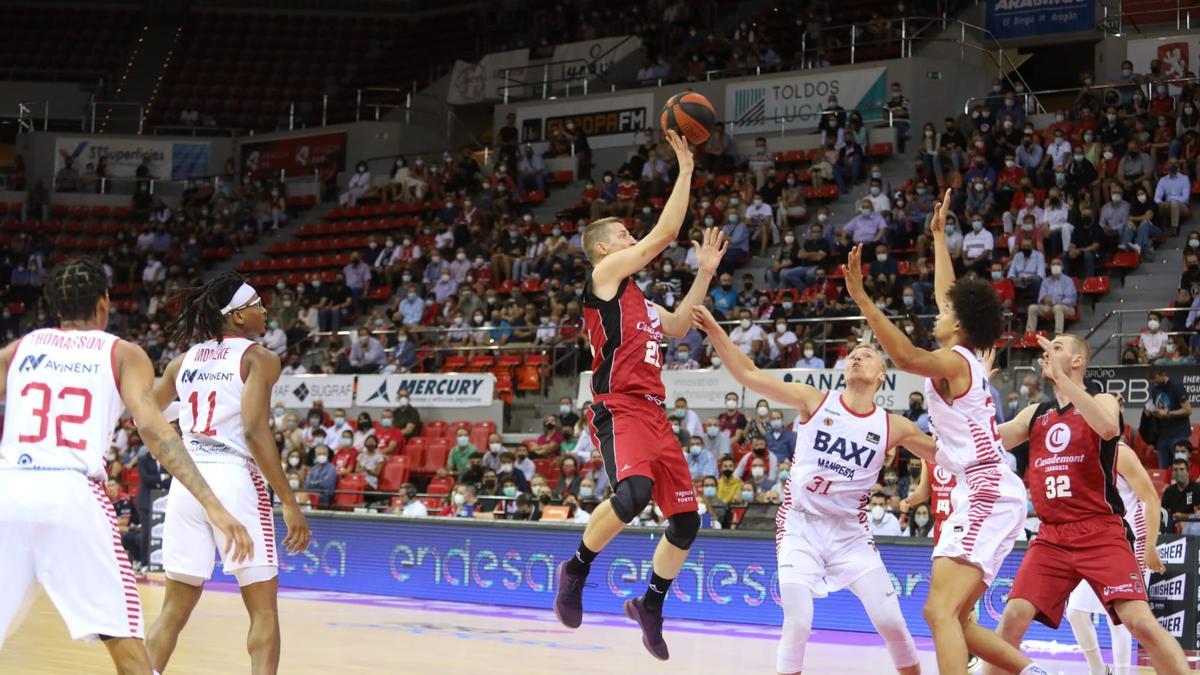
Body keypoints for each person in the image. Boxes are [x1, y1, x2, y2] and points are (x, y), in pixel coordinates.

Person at [0, 258, 252, 672]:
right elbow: (155, 430)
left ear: (54, 306)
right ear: (104, 303)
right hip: (72, 493)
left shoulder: (18, 350)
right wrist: (214, 505)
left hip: (9, 491)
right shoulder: (122, 353)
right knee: (127, 648)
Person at [843, 190, 1045, 674]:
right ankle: (1033, 672)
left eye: (945, 315)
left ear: (960, 327)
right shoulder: (964, 355)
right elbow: (947, 293)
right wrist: (938, 237)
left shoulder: (955, 361)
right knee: (955, 616)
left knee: (938, 612)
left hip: (987, 490)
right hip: (978, 490)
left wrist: (865, 303)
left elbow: (908, 357)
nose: (938, 313)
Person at [553, 129, 725, 661]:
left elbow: (678, 326)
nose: (633, 240)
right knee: (631, 494)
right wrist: (686, 170)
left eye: (632, 235)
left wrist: (704, 275)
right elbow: (662, 236)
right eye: (625, 234)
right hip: (618, 406)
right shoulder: (604, 276)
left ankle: (650, 604)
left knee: (687, 521)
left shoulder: (640, 302)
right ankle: (575, 570)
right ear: (605, 248)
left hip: (654, 414)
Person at [693, 305, 934, 675]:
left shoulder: (893, 426)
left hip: (850, 535)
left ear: (881, 377)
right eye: (852, 354)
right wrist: (714, 330)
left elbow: (941, 454)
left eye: (866, 355)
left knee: (892, 623)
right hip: (800, 526)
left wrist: (922, 490)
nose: (857, 357)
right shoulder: (815, 401)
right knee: (799, 621)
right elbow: (748, 373)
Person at [985, 335, 1189, 675]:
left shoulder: (1105, 400)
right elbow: (988, 439)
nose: (1048, 351)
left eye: (1058, 347)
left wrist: (1063, 381)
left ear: (1078, 361)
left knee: (1139, 621)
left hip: (1100, 530)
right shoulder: (1036, 413)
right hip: (1051, 536)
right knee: (1012, 619)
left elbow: (1108, 426)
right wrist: (974, 394)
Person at [147, 273, 311, 675]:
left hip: (188, 483)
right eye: (256, 303)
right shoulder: (259, 358)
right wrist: (290, 503)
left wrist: (181, 433)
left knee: (172, 610)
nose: (264, 309)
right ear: (237, 316)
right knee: (263, 611)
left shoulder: (182, 362)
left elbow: (146, 414)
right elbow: (255, 432)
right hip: (233, 478)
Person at [1065, 439, 1165, 675]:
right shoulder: (1082, 455)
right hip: (1100, 544)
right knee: (1075, 612)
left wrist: (1151, 545)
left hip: (1132, 543)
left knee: (1120, 616)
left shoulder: (1121, 453)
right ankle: (1099, 671)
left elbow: (1151, 498)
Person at [1147, 366, 1193, 468]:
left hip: (1179, 434)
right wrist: (1154, 413)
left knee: (1181, 466)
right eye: (1153, 382)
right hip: (1162, 436)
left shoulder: (1176, 386)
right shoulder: (1154, 389)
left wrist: (1168, 413)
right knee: (1163, 469)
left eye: (1157, 381)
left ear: (1163, 375)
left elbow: (1188, 410)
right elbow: (1157, 407)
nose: (1155, 384)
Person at [1161, 456, 1200, 531]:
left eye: (1182, 469)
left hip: (1193, 524)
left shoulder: (1197, 488)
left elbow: (1198, 514)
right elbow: (1163, 513)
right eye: (1175, 470)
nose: (1178, 472)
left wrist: (1183, 517)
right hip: (1173, 523)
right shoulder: (1169, 491)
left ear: (1188, 472)